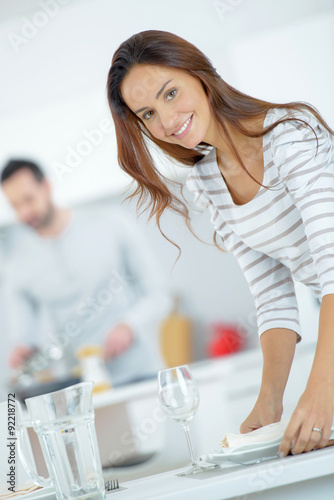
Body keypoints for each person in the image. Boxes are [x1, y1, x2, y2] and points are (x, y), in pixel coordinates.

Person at [105, 29, 334, 457]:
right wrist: (268, 404)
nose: (167, 121)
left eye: (170, 93)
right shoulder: (206, 181)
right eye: (148, 114)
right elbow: (273, 298)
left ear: (201, 75)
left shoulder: (290, 136)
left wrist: (321, 387)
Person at [1, 159, 172, 386]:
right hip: (81, 387)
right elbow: (24, 334)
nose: (24, 213)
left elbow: (159, 295)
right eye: (15, 206)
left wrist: (129, 325)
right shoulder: (16, 262)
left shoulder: (111, 223)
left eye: (29, 199)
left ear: (47, 187)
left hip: (141, 374)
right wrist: (22, 349)